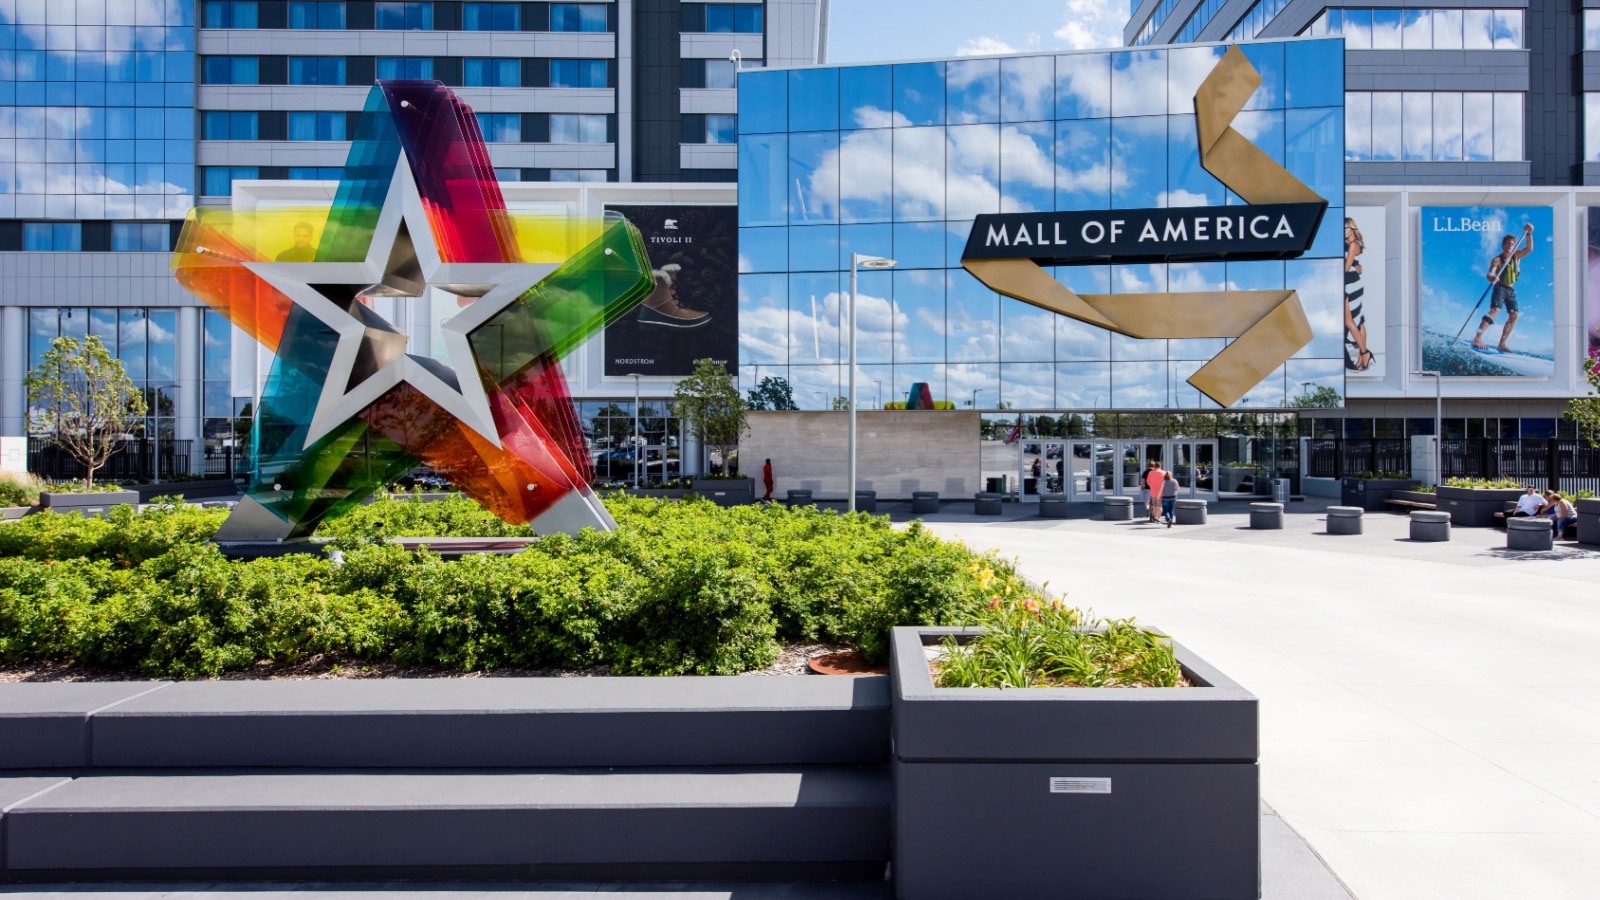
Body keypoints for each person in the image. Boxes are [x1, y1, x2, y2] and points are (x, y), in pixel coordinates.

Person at [1471, 223, 1535, 354]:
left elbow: (1529, 249)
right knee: (1494, 311)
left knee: (1514, 315)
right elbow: (1490, 273)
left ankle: (1502, 344)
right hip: (1500, 288)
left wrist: (1529, 234)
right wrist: (1492, 278)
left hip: (1510, 291)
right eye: (1509, 243)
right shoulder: (1497, 259)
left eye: (1513, 243)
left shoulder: (1516, 255)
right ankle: (1477, 339)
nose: (1511, 245)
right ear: (1503, 245)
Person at [1343, 217, 1374, 371]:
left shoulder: (1353, 245)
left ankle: (1364, 353)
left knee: (1349, 321)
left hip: (1350, 285)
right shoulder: (1353, 244)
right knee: (1359, 320)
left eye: (1346, 228)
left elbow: (1346, 268)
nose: (1344, 231)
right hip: (1353, 283)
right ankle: (1363, 356)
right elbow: (1353, 264)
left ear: (1353, 229)